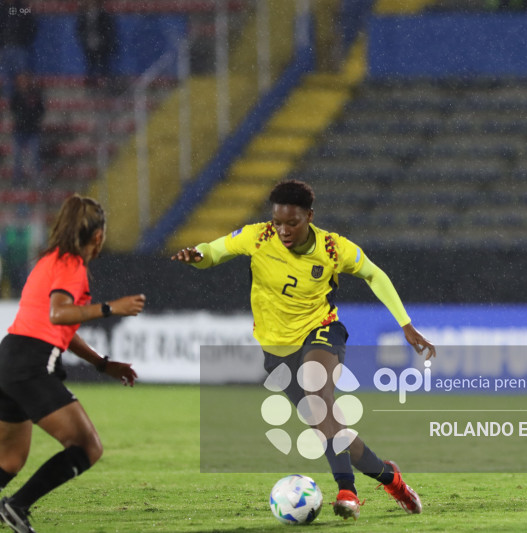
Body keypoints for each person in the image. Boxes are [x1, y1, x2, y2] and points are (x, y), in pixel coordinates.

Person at [172, 179, 436, 521]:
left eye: (292, 223)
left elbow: (374, 274)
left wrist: (405, 323)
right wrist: (197, 256)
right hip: (277, 350)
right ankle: (393, 480)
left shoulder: (332, 248)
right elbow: (214, 251)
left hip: (321, 331)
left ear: (309, 217)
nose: (283, 230)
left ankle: (347, 491)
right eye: (278, 222)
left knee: (316, 392)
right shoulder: (258, 237)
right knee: (331, 431)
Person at [0, 194, 145, 533]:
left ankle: (13, 505)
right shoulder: (72, 266)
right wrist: (111, 308)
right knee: (87, 447)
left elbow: (58, 324)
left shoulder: (49, 260)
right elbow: (59, 313)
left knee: (9, 459)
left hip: (9, 360)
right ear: (98, 236)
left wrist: (101, 363)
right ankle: (16, 506)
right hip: (31, 366)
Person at [10, 72, 45, 189]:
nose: (23, 83)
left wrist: (34, 118)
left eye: (25, 80)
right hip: (19, 130)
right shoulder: (16, 95)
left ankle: (36, 181)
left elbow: (41, 109)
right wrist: (20, 118)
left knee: (35, 157)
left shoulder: (34, 94)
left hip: (32, 130)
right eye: (21, 81)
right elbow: (12, 109)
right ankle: (17, 180)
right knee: (17, 157)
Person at [75, 0, 117, 89]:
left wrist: (104, 41)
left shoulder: (104, 15)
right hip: (89, 45)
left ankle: (105, 86)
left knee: (103, 67)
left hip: (102, 46)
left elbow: (109, 30)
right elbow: (79, 29)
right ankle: (91, 86)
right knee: (90, 67)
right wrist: (84, 40)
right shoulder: (84, 15)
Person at [0, 0, 37, 99]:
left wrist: (24, 39)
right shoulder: (2, 8)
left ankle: (19, 100)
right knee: (5, 77)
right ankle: (9, 100)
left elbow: (31, 25)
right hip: (4, 48)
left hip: (19, 47)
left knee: (22, 75)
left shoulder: (21, 8)